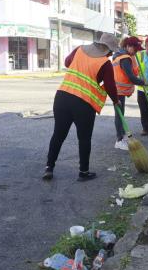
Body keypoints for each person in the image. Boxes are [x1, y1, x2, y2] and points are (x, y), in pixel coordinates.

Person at [43, 33, 121, 182]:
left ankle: (49, 168)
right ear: (108, 50)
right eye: (112, 51)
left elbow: (67, 62)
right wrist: (116, 101)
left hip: (62, 97)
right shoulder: (105, 63)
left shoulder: (79, 49)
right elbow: (110, 86)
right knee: (84, 138)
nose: (111, 54)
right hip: (83, 104)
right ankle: (83, 172)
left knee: (58, 135)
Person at [112, 36, 147, 150]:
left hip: (119, 90)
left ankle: (122, 135)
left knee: (121, 113)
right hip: (117, 91)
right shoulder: (125, 58)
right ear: (128, 46)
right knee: (119, 114)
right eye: (135, 48)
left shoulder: (121, 56)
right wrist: (142, 83)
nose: (136, 51)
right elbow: (131, 77)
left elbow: (132, 73)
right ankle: (119, 140)